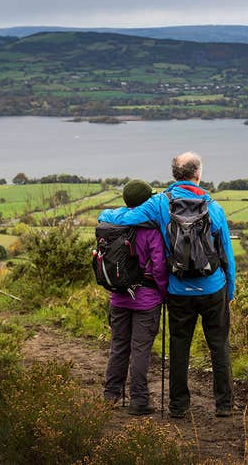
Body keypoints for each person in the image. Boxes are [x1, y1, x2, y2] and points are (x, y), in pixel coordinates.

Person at [98, 152, 236, 418]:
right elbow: (226, 255)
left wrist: (105, 212)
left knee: (179, 347)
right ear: (198, 174)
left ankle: (178, 406)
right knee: (218, 345)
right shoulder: (214, 207)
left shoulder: (159, 204)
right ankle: (225, 405)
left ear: (174, 174)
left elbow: (121, 219)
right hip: (212, 288)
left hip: (178, 290)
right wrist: (229, 291)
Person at [103, 180, 169, 416]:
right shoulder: (151, 230)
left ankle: (110, 396)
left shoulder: (111, 224)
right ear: (147, 201)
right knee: (140, 349)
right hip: (147, 300)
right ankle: (139, 400)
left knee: (119, 346)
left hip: (118, 298)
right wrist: (164, 294)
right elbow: (160, 267)